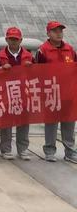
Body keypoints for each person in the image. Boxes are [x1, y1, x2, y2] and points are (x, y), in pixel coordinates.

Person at [36, 21, 77, 163]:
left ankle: (70, 152)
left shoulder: (70, 50)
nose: (59, 33)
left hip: (68, 93)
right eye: (55, 31)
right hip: (51, 93)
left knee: (69, 123)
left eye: (60, 30)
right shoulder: (43, 50)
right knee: (51, 124)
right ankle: (49, 151)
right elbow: (37, 73)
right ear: (48, 33)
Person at [0, 27, 33, 160]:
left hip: (23, 93)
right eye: (11, 39)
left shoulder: (28, 56)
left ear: (21, 40)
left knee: (24, 122)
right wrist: (0, 68)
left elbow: (37, 75)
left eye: (16, 39)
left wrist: (31, 68)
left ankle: (23, 149)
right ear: (6, 39)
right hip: (6, 93)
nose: (13, 41)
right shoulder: (0, 56)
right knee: (6, 122)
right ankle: (5, 150)